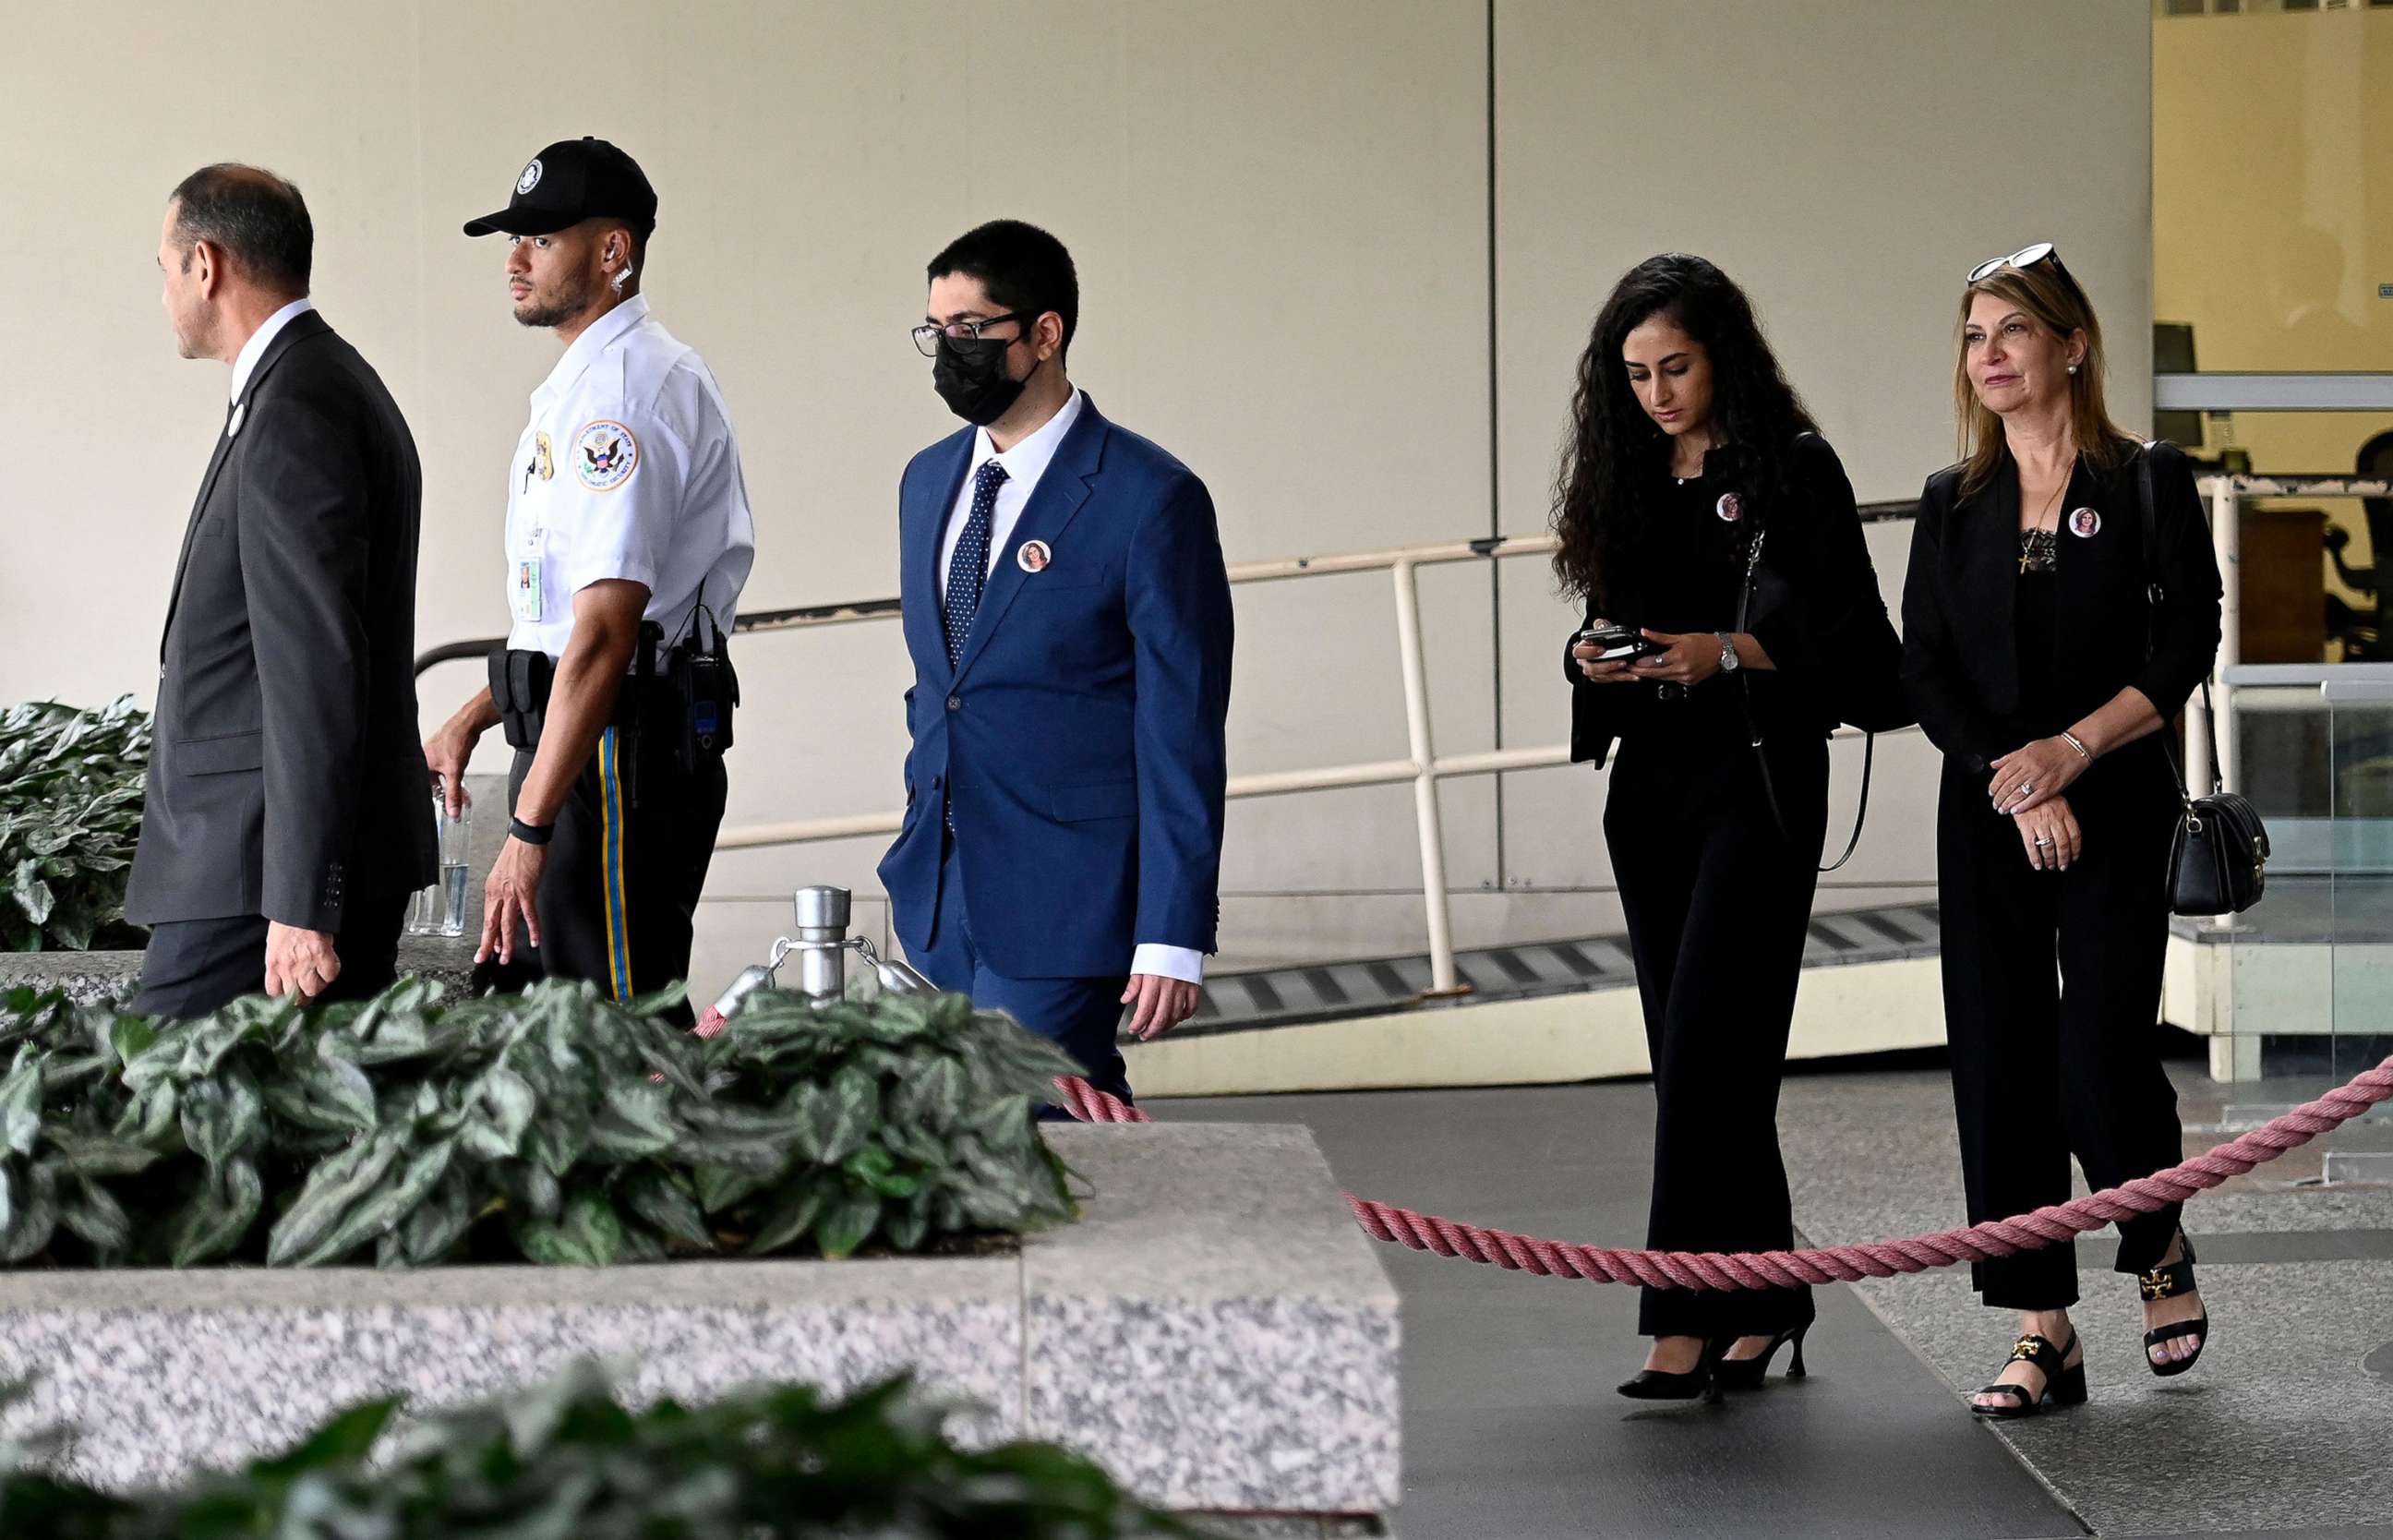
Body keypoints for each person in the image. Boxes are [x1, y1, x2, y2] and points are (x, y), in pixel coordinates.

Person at [1557, 254, 1888, 1401]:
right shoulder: (1632, 476)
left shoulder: (1794, 469)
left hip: (1757, 787)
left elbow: (1859, 650)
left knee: (1705, 1050)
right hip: (1649, 792)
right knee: (1704, 1062)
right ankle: (1770, 1293)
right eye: (1636, 372)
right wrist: (1589, 657)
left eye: (1676, 367)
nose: (1656, 392)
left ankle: (1681, 1316)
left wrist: (1731, 651)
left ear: (1724, 355)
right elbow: (1610, 619)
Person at [1900, 242, 2223, 1417]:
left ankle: (2158, 1252)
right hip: (1990, 809)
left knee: (2100, 1054)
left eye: (2012, 333)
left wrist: (2072, 754)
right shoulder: (1954, 502)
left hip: (2119, 799)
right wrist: (2015, 775)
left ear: (2071, 345)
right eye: (1974, 337)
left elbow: (2188, 642)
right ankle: (2044, 1330)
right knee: (1997, 1062)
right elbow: (1924, 669)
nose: (1988, 356)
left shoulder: (2145, 481)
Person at [876, 220, 1233, 1107]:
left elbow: (1182, 731)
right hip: (938, 892)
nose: (947, 352)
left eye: (971, 329)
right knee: (1010, 1137)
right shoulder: (927, 483)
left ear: (1045, 334)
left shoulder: (1150, 499)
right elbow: (942, 686)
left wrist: (1171, 931)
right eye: (935, 329)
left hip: (1069, 895)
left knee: (1015, 1123)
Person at [422, 138, 754, 1023]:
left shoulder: (625, 394)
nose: (515, 257)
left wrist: (528, 828)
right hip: (585, 749)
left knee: (613, 1031)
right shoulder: (584, 385)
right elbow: (560, 620)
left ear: (615, 252)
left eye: (541, 237)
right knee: (568, 1026)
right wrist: (474, 715)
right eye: (511, 238)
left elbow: (609, 635)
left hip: (618, 758)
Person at [126, 164, 437, 1017]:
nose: (162, 290)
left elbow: (315, 666)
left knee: (155, 1113)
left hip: (256, 870)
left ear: (207, 264)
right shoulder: (318, 383)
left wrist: (300, 901)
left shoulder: (297, 403)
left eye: (163, 265)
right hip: (267, 860)